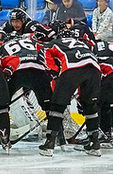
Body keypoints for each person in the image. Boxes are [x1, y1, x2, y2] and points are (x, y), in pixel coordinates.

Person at [39, 29, 102, 157]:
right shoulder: (83, 44)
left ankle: (49, 143)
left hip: (73, 67)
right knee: (90, 106)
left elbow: (43, 52)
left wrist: (54, 72)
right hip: (95, 69)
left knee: (57, 105)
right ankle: (94, 143)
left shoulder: (55, 43)